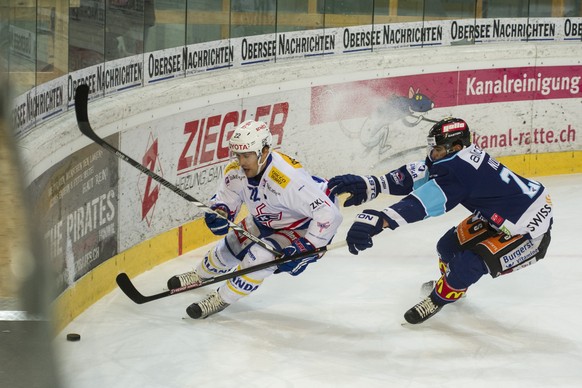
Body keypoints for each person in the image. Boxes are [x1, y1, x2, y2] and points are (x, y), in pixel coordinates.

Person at [328, 117, 553, 324]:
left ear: (455, 147)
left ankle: (437, 300)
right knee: (447, 247)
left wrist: (382, 219)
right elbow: (420, 174)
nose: (432, 154)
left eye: (436, 149)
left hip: (529, 229)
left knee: (468, 264)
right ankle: (454, 286)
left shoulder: (460, 170)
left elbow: (424, 203)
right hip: (502, 215)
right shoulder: (459, 157)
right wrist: (373, 184)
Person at [168, 120, 343, 319]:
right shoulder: (236, 170)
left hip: (301, 224)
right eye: (239, 155)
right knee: (233, 243)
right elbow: (226, 199)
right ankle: (199, 275)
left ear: (265, 151)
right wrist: (220, 212)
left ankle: (221, 298)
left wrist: (307, 246)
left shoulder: (285, 178)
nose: (242, 162)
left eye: (247, 155)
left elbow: (329, 214)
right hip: (267, 218)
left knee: (259, 257)